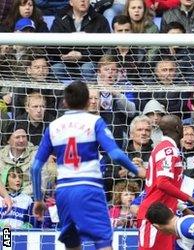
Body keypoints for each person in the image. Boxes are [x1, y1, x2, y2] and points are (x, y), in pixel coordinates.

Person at [30, 81, 145, 250]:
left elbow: (35, 168)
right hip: (88, 188)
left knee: (72, 244)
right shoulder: (95, 122)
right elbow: (116, 154)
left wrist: (39, 199)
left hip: (63, 192)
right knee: (104, 243)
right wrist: (137, 170)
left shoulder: (53, 127)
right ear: (87, 102)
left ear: (64, 102)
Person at [138, 115, 194, 250]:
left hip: (164, 217)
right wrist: (193, 201)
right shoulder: (168, 150)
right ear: (178, 128)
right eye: (182, 125)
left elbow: (160, 188)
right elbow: (162, 183)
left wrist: (184, 208)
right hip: (154, 217)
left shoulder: (162, 148)